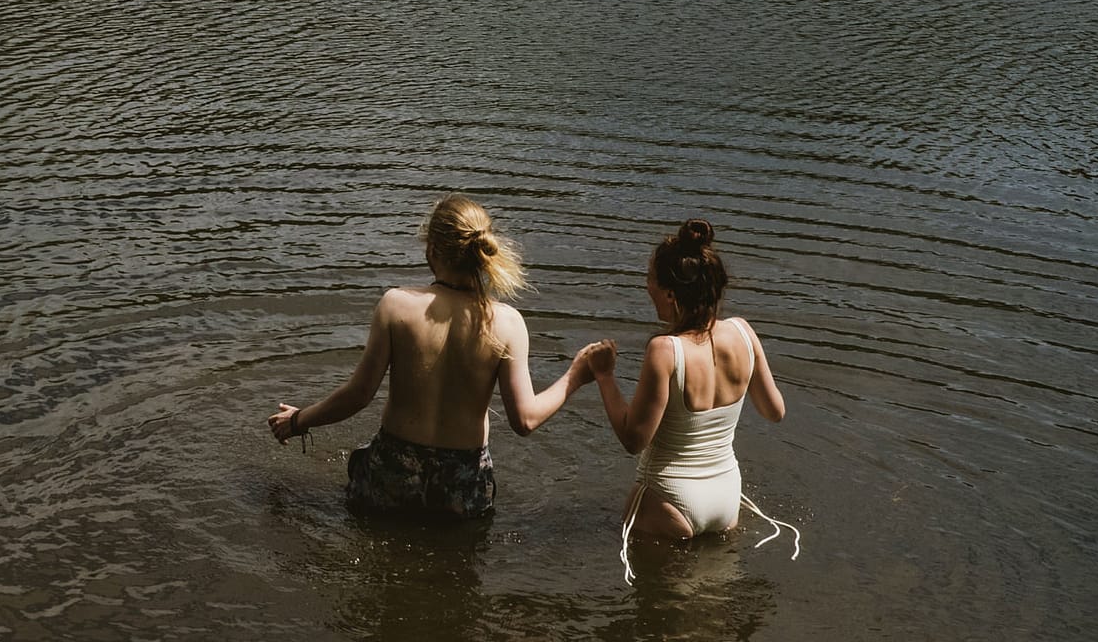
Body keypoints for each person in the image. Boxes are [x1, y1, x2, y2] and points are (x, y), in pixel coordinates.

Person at [267, 195, 598, 520]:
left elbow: (358, 395)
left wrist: (299, 421)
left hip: (393, 474)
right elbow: (524, 421)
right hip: (463, 486)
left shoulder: (396, 305)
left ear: (432, 249)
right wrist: (576, 375)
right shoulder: (508, 322)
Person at [579, 219, 798, 582]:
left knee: (658, 612)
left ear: (669, 293)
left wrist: (604, 377)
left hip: (671, 498)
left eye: (650, 278)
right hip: (726, 496)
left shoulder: (665, 350)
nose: (646, 286)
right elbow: (775, 411)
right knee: (712, 604)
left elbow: (634, 440)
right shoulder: (744, 332)